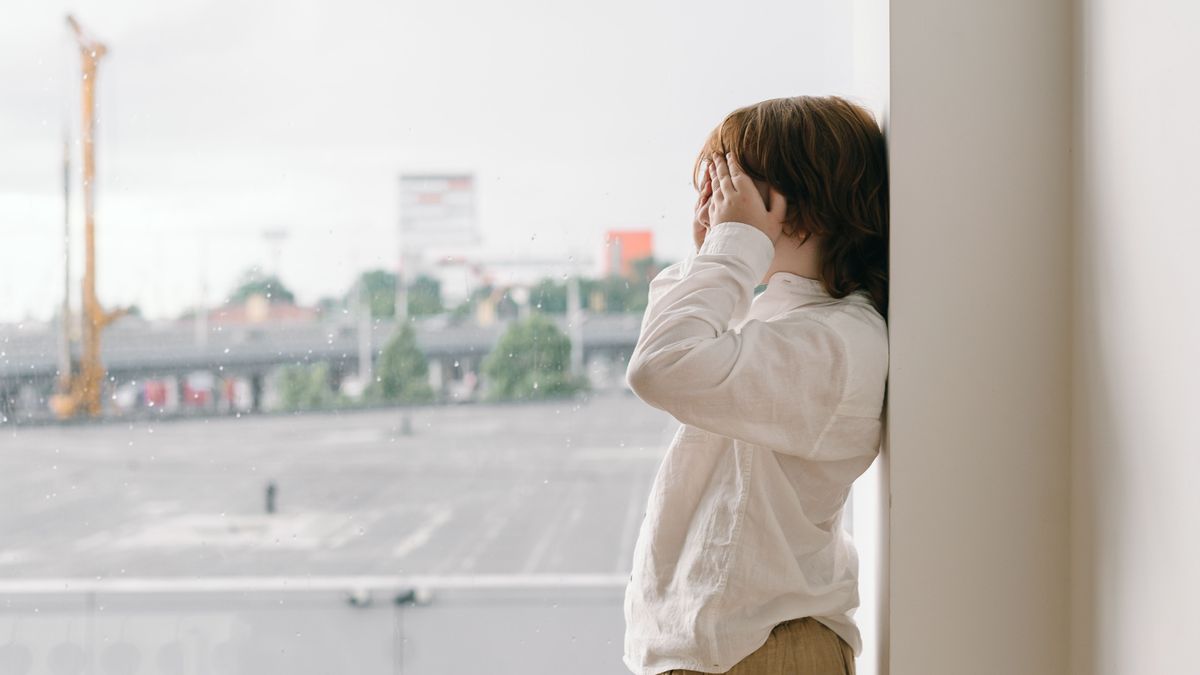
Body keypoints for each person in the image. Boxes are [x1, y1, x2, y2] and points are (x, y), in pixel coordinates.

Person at [622, 95, 889, 675]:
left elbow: (659, 365)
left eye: (731, 185)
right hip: (738, 647)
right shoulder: (781, 321)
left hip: (764, 650)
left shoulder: (836, 344)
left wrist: (732, 249)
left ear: (802, 205)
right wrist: (711, 254)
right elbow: (669, 345)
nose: (717, 205)